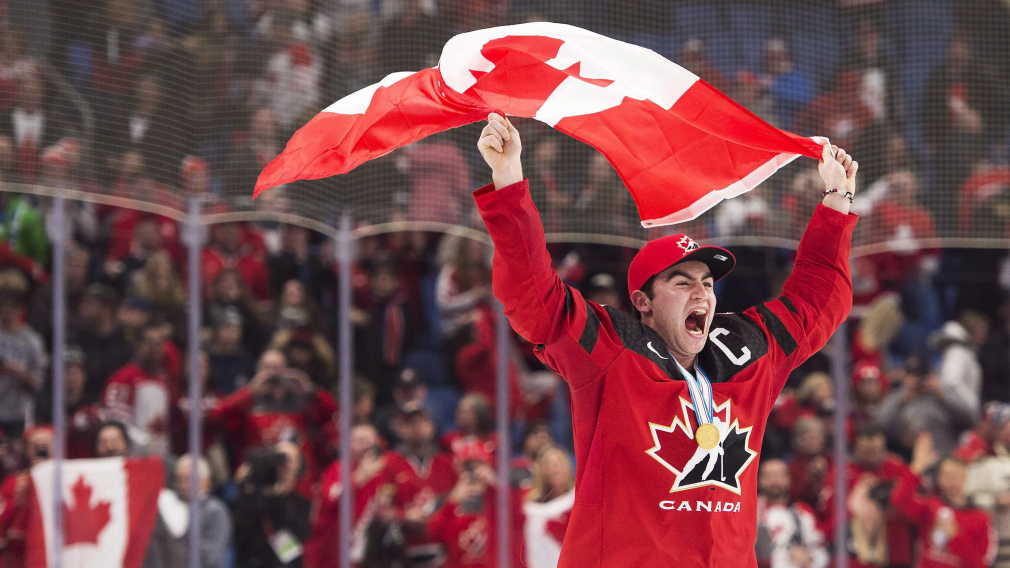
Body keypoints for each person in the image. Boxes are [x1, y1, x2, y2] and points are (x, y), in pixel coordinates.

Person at [473, 112, 858, 566]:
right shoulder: (612, 350)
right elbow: (533, 296)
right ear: (642, 301)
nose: (701, 293)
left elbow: (818, 301)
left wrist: (837, 200)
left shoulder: (749, 354)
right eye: (682, 283)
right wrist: (508, 179)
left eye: (708, 284)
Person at [891, 433, 996, 568]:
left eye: (956, 475)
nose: (951, 480)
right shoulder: (930, 506)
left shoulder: (981, 518)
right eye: (946, 475)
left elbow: (980, 564)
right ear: (939, 478)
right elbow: (899, 502)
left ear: (965, 478)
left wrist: (955, 537)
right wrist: (916, 467)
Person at [755, 459, 828, 568]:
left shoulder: (803, 512)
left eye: (780, 475)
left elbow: (821, 549)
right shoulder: (751, 512)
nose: (775, 481)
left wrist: (809, 557)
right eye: (769, 476)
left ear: (788, 479)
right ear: (759, 480)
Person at [522, 445, 576, 568]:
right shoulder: (529, 506)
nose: (553, 469)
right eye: (548, 465)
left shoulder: (578, 498)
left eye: (557, 464)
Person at [175, 454, 232, 568]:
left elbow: (212, 556)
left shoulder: (215, 510)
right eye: (179, 480)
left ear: (204, 481)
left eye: (187, 479)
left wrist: (178, 546)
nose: (182, 485)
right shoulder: (177, 507)